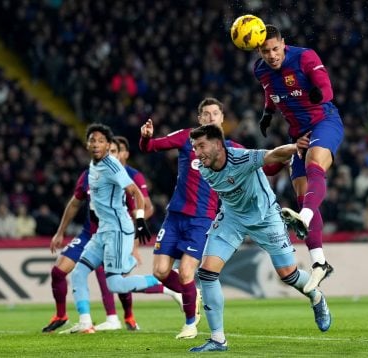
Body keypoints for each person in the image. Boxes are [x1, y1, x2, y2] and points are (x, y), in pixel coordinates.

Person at [188, 124, 331, 352]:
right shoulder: (203, 168)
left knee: (288, 275)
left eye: (201, 146)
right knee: (206, 273)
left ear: (217, 144)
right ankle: (218, 339)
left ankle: (316, 296)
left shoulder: (241, 158)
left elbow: (272, 155)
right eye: (194, 147)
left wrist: (295, 147)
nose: (197, 152)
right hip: (232, 219)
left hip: (266, 217)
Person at [44, 135, 180, 333]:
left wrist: (132, 237)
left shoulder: (128, 177)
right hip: (89, 234)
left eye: (116, 151)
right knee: (66, 272)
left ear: (124, 154)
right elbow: (75, 202)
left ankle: (120, 317)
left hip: (115, 234)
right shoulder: (91, 173)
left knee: (113, 280)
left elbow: (141, 207)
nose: (111, 154)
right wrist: (60, 232)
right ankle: (73, 318)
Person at [139, 98, 239, 339]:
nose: (211, 117)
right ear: (199, 119)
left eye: (216, 113)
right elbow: (149, 147)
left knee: (185, 272)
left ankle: (190, 323)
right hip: (174, 217)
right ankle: (192, 295)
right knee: (161, 271)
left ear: (222, 119)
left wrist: (287, 156)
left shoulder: (232, 148)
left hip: (202, 219)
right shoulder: (187, 137)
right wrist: (145, 137)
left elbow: (263, 163)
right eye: (206, 114)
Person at [255, 24, 344, 293]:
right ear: (259, 51)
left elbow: (326, 88)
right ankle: (319, 263)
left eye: (275, 48)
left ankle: (303, 217)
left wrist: (319, 94)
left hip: (324, 122)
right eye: (265, 51)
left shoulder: (305, 57)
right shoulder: (260, 70)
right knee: (303, 193)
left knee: (315, 163)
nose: (271, 55)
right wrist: (268, 113)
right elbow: (270, 91)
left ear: (283, 43)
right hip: (298, 135)